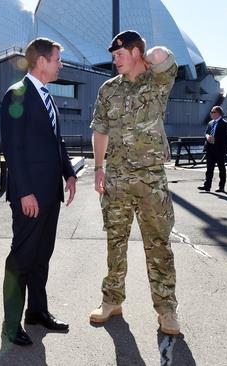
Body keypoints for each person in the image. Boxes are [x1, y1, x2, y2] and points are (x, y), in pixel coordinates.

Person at [89, 30, 180, 335]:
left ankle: (166, 310)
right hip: (115, 179)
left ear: (136, 53)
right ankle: (112, 300)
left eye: (120, 54)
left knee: (158, 245)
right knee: (115, 243)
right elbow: (99, 130)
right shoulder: (107, 90)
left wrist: (147, 54)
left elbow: (164, 57)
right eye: (113, 56)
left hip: (150, 180)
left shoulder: (157, 83)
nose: (114, 60)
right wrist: (99, 168)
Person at [0, 37, 78, 346]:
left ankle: (37, 311)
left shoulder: (47, 95)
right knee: (22, 257)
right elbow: (13, 149)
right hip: (30, 196)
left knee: (42, 255)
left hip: (50, 193)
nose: (61, 64)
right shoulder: (16, 95)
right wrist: (25, 193)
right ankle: (10, 324)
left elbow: (56, 141)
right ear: (42, 61)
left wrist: (68, 173)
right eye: (58, 59)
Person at [198, 106, 227, 192]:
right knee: (209, 168)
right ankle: (207, 186)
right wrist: (207, 136)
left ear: (218, 113)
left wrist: (215, 138)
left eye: (213, 112)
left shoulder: (224, 123)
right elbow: (206, 133)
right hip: (210, 148)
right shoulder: (210, 123)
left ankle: (221, 186)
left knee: (221, 168)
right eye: (211, 112)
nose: (211, 113)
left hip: (220, 149)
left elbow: (225, 137)